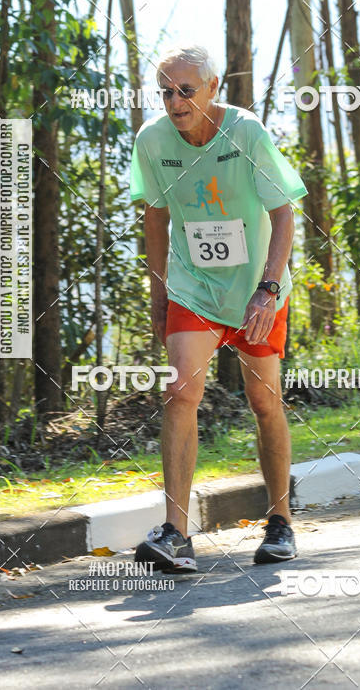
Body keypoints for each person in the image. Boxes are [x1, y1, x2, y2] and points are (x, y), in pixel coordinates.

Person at [130, 45, 307, 572]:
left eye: (185, 89)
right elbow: (156, 219)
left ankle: (280, 523)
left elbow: (282, 213)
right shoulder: (152, 140)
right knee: (180, 389)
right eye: (165, 91)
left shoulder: (247, 132)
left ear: (212, 88)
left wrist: (268, 288)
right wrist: (160, 294)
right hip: (194, 286)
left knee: (263, 400)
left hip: (255, 286)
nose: (174, 100)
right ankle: (176, 534)